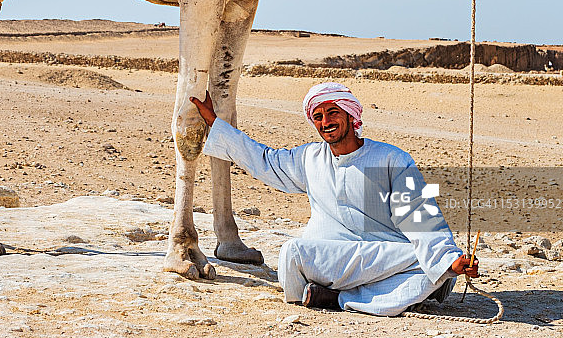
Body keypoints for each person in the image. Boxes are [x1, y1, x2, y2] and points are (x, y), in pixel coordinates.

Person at [190, 82, 478, 317]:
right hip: (335, 261)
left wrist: (448, 260)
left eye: (332, 113)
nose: (325, 122)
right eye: (318, 116)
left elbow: (418, 214)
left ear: (351, 116)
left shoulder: (391, 160)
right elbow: (262, 160)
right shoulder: (308, 159)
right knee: (292, 254)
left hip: (381, 258)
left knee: (429, 261)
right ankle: (376, 297)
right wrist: (216, 123)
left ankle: (338, 299)